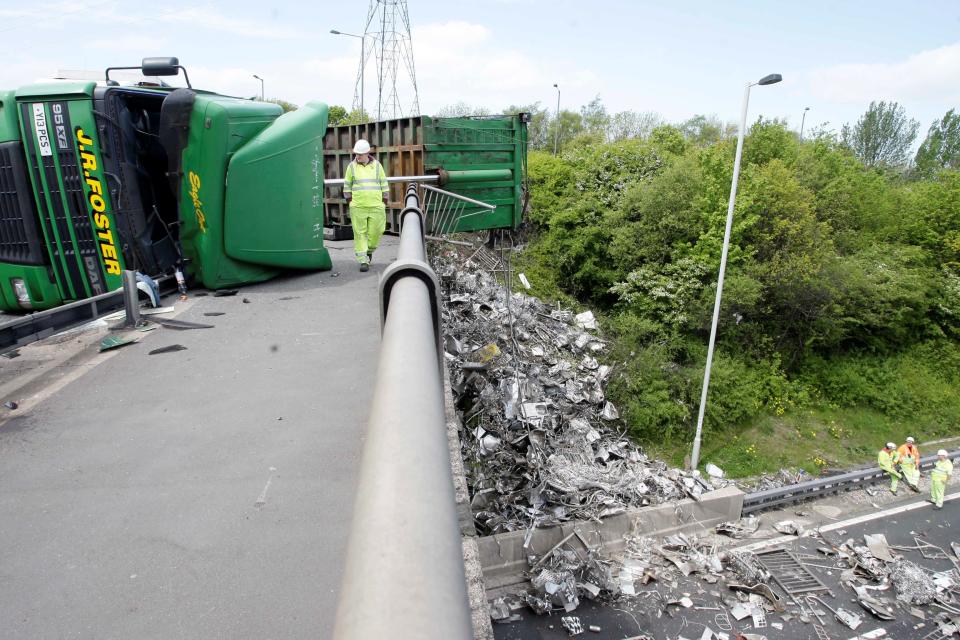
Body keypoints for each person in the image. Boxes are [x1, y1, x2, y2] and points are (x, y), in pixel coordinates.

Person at [343, 139, 389, 272]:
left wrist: (384, 201)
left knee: (377, 231)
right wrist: (350, 201)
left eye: (360, 154)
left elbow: (384, 183)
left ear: (367, 153)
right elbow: (347, 185)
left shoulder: (377, 166)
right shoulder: (351, 167)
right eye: (356, 154)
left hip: (376, 206)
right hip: (358, 206)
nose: (357, 156)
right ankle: (363, 260)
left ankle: (369, 250)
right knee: (360, 233)